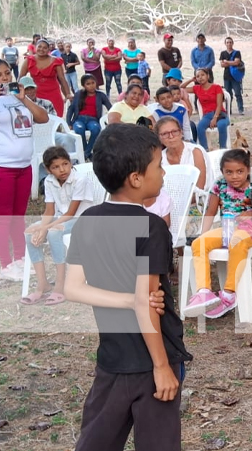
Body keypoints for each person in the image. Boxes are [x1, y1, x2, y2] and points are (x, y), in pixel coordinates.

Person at [64, 123, 192, 451]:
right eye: (158, 165)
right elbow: (145, 302)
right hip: (153, 362)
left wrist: (128, 301)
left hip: (112, 358)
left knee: (95, 442)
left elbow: (73, 289)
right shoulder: (151, 227)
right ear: (136, 178)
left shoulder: (87, 221)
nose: (164, 172)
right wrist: (162, 367)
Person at [184, 149, 252, 319]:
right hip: (226, 228)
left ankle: (229, 293)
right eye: (229, 172)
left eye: (239, 171)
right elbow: (210, 213)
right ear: (222, 172)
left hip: (249, 231)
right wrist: (203, 234)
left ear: (247, 170)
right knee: (199, 244)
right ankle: (204, 292)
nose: (234, 176)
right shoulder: (219, 187)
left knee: (236, 242)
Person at [22, 147, 94, 305]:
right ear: (48, 170)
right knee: (29, 232)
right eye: (55, 167)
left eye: (65, 164)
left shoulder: (79, 179)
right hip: (60, 218)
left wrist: (45, 228)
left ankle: (60, 285)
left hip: (82, 219)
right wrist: (40, 227)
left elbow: (71, 212)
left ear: (70, 163)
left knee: (54, 232)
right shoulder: (49, 181)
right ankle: (43, 284)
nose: (62, 169)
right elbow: (49, 210)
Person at [0, 60, 50, 280]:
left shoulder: (19, 98)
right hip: (4, 166)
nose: (4, 77)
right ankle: (4, 263)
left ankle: (19, 258)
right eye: (0, 74)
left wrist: (24, 99)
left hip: (24, 166)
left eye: (6, 73)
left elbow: (43, 117)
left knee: (18, 215)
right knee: (4, 216)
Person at [19, 39, 72, 118]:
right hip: (35, 94)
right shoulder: (28, 60)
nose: (41, 49)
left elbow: (62, 79)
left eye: (45, 48)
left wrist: (68, 94)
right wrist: (16, 93)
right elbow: (20, 78)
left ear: (48, 49)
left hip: (53, 94)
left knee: (55, 118)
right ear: (35, 47)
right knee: (36, 119)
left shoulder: (56, 61)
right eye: (39, 47)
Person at [156, 118, 210, 192]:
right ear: (159, 138)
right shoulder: (159, 158)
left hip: (199, 200)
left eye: (174, 131)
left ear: (181, 133)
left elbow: (200, 189)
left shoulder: (195, 152)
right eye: (165, 134)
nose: (171, 136)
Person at [66, 74, 112, 159]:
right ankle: (87, 153)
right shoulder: (79, 94)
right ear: (84, 85)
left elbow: (111, 108)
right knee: (80, 129)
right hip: (79, 119)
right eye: (88, 84)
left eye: (93, 83)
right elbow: (71, 109)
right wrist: (68, 123)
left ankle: (85, 154)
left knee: (96, 129)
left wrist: (110, 119)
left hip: (93, 120)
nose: (91, 86)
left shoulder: (100, 95)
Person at [181, 69, 228, 151]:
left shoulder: (216, 87)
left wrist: (215, 118)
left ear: (208, 76)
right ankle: (205, 150)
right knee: (200, 127)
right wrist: (191, 80)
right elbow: (180, 88)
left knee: (222, 125)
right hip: (207, 115)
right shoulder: (196, 88)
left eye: (202, 75)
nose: (200, 78)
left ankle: (223, 149)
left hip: (219, 114)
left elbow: (219, 104)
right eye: (197, 76)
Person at [218, 37, 245, 115]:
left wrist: (227, 62)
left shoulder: (237, 52)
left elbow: (237, 62)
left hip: (235, 77)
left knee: (238, 93)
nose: (229, 44)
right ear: (225, 44)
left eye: (230, 42)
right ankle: (228, 110)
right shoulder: (223, 53)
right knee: (228, 95)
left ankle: (241, 109)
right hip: (226, 76)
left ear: (232, 43)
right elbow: (222, 65)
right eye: (227, 42)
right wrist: (231, 62)